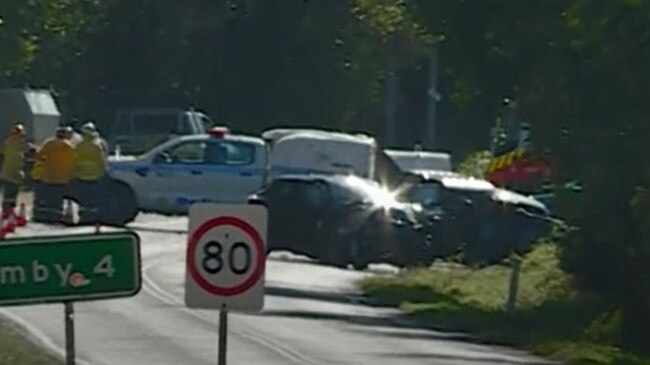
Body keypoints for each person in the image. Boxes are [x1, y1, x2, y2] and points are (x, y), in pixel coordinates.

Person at [31, 126, 75, 223]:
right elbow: (75, 159)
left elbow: (39, 155)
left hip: (48, 176)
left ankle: (45, 216)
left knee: (48, 198)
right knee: (58, 200)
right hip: (62, 178)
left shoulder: (49, 143)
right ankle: (56, 217)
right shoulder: (69, 146)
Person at [71, 122, 108, 224]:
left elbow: (74, 161)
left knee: (83, 199)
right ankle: (93, 217)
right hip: (95, 177)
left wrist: (75, 172)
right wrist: (104, 172)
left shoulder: (79, 146)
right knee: (93, 199)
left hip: (82, 176)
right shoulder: (97, 145)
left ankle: (84, 216)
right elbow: (102, 161)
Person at [0, 123, 27, 217]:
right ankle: (8, 212)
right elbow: (19, 158)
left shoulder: (8, 142)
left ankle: (7, 211)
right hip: (13, 173)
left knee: (9, 194)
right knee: (11, 194)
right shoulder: (17, 144)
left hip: (8, 173)